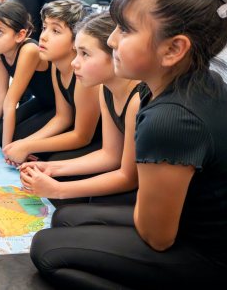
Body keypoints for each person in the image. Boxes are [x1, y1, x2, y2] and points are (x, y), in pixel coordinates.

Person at [30, 0, 227, 288]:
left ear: (173, 50)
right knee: (65, 217)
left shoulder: (170, 119)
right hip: (188, 221)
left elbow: (158, 238)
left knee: (48, 251)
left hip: (209, 255)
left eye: (125, 30)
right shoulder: (190, 84)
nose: (111, 40)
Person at [20, 11, 143, 204]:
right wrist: (52, 168)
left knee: (66, 210)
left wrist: (59, 189)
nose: (74, 62)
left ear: (114, 53)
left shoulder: (137, 100)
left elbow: (129, 177)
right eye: (77, 52)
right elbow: (110, 155)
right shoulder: (106, 89)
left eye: (85, 54)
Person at [2, 0, 100, 166]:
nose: (43, 36)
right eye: (45, 27)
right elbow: (62, 117)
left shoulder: (84, 77)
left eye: (55, 31)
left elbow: (82, 136)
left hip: (97, 137)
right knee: (17, 140)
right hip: (76, 128)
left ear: (77, 40)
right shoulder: (56, 66)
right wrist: (24, 144)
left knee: (52, 160)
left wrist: (29, 146)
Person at [0, 1, 54, 148]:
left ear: (20, 35)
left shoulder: (29, 50)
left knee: (9, 138)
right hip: (41, 101)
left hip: (59, 106)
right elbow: (1, 95)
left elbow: (10, 101)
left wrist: (7, 150)